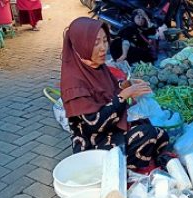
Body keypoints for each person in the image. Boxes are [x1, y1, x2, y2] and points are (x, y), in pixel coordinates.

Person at [61, 17, 170, 170]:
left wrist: (128, 85)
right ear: (81, 44)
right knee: (148, 134)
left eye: (105, 41)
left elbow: (111, 89)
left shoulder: (98, 67)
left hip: (112, 127)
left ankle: (152, 160)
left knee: (159, 132)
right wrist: (124, 95)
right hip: (95, 143)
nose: (103, 48)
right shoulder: (73, 81)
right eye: (95, 43)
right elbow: (94, 124)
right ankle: (126, 170)